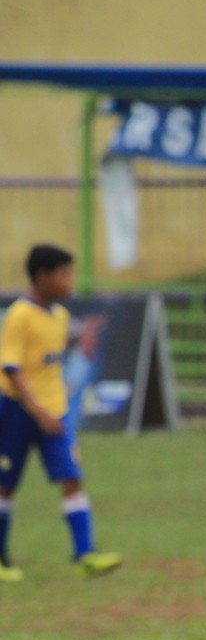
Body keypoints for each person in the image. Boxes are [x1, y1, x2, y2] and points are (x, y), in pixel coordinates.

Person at [0, 245, 122, 582]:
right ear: (42, 277)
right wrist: (37, 410)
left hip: (55, 412)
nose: (69, 281)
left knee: (71, 477)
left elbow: (49, 368)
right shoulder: (20, 315)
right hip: (17, 410)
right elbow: (11, 368)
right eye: (63, 274)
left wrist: (59, 404)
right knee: (5, 485)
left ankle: (85, 554)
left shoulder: (61, 317)